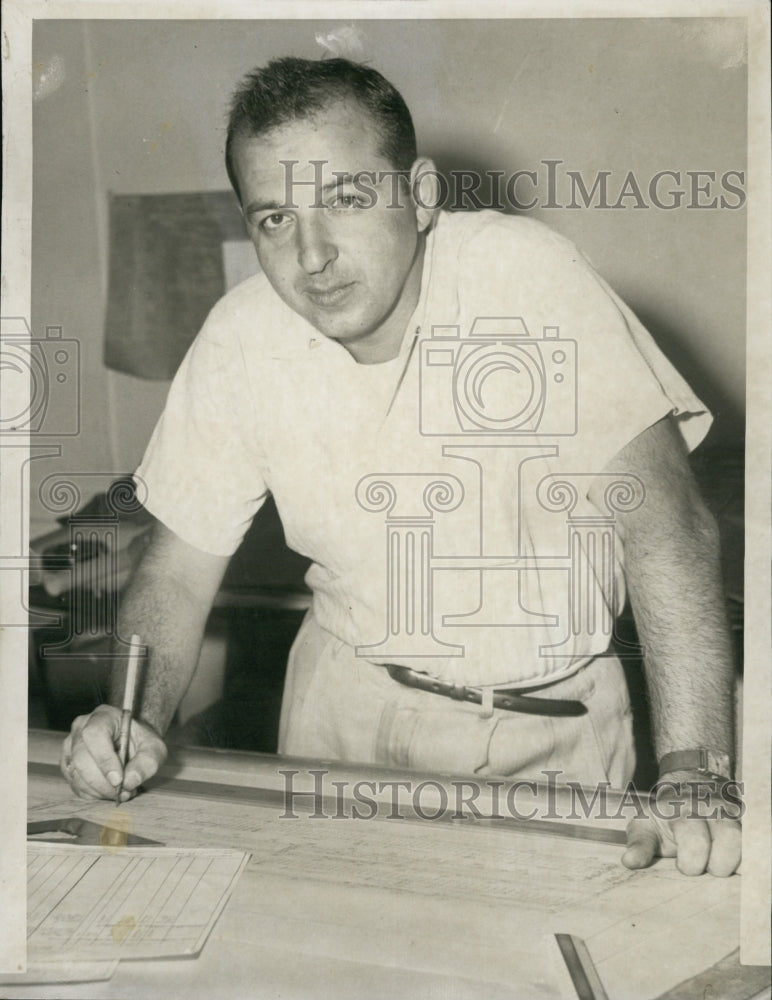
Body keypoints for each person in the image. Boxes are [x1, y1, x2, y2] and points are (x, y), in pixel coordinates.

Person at [61, 57, 741, 876]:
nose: (312, 256)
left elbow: (670, 532)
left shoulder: (529, 280)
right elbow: (175, 570)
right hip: (340, 713)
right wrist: (130, 719)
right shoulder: (243, 334)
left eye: (345, 200)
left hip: (551, 730)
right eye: (275, 218)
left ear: (419, 198)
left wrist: (696, 772)